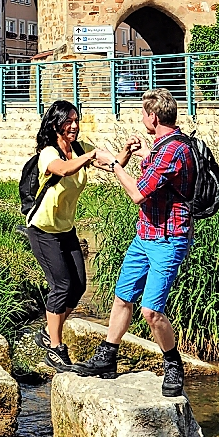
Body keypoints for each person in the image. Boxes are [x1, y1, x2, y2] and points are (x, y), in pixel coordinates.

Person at [75, 87, 197, 397]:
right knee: (122, 298)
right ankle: (108, 355)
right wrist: (139, 153)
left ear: (153, 117)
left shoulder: (173, 150)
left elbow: (139, 193)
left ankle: (173, 365)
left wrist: (114, 164)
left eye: (143, 114)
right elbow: (157, 170)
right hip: (145, 235)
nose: (141, 118)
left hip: (168, 239)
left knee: (151, 312)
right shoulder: (164, 145)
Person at [27, 100, 111, 372]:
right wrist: (89, 156)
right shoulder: (48, 153)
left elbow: (112, 164)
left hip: (66, 229)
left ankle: (47, 332)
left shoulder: (78, 148)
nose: (74, 126)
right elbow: (63, 169)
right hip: (43, 229)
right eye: (69, 121)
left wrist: (125, 153)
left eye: (77, 120)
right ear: (55, 125)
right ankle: (55, 347)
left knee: (78, 287)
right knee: (61, 285)